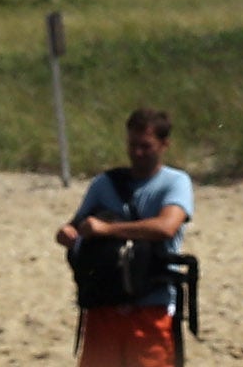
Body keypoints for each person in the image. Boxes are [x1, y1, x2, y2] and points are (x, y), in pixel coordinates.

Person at [54, 108, 193, 367]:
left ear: (164, 145)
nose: (137, 153)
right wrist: (68, 232)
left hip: (151, 305)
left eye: (146, 146)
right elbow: (76, 226)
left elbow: (166, 227)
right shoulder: (105, 183)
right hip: (103, 303)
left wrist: (107, 230)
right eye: (132, 145)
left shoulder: (175, 182)